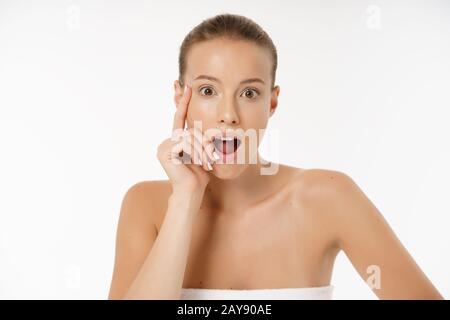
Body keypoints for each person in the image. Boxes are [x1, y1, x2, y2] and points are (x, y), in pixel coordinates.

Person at [108, 13, 443, 300]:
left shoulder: (327, 197)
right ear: (181, 97)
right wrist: (184, 199)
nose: (228, 115)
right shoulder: (146, 206)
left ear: (272, 103)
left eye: (249, 93)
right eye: (209, 91)